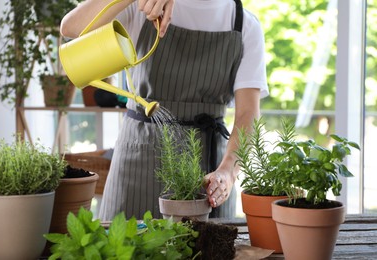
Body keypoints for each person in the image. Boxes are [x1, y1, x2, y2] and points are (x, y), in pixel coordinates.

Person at [61, 0, 268, 220]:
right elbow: (71, 29)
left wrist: (227, 172)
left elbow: (248, 114)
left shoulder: (245, 25)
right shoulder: (143, 7)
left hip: (208, 173)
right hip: (137, 160)